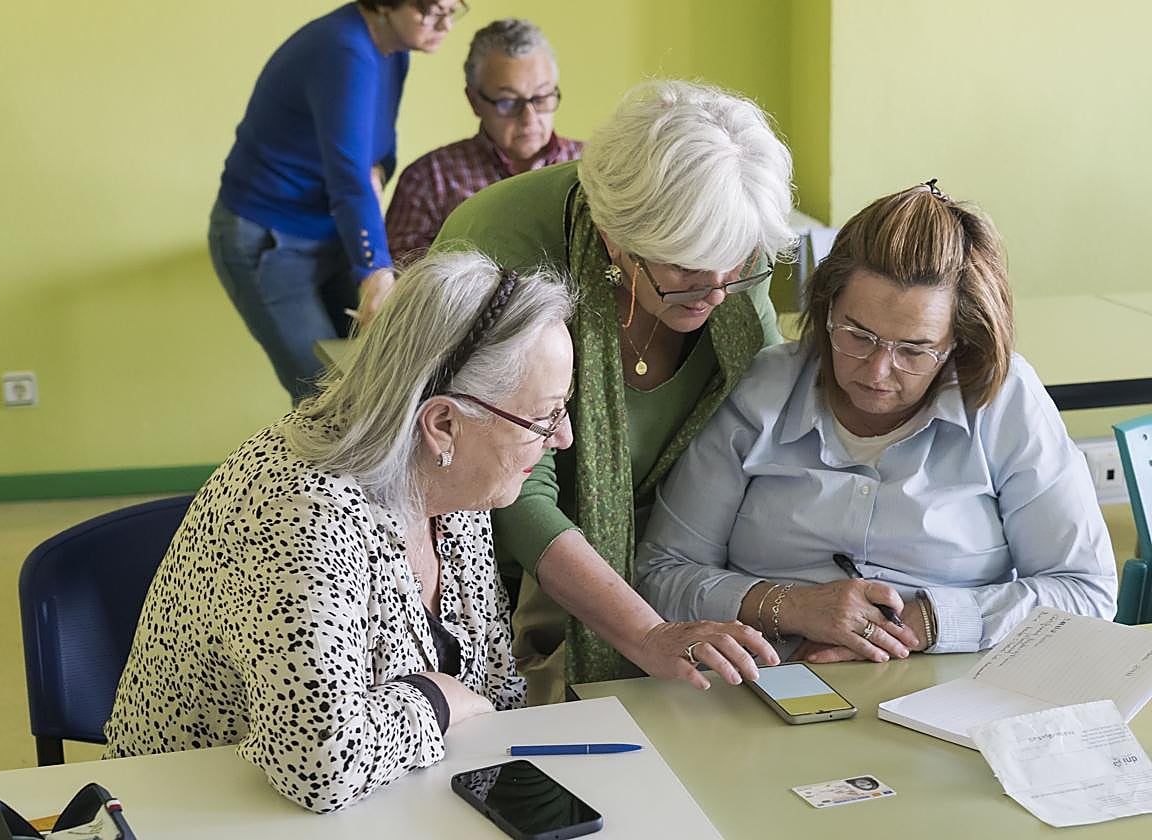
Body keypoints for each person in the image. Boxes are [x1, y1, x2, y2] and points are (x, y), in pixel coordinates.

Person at [104, 251, 573, 812]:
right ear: (443, 423)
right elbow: (320, 763)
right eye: (543, 416)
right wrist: (434, 701)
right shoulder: (298, 514)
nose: (562, 437)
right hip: (196, 812)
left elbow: (494, 687)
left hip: (383, 805)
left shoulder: (453, 484)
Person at [636, 182, 1118, 663]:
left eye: (913, 350)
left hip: (948, 687)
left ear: (959, 341)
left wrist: (920, 623)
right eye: (857, 335)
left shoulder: (1003, 398)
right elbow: (660, 574)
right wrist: (791, 607)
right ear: (826, 309)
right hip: (768, 678)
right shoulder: (762, 389)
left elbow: (1087, 593)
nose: (877, 372)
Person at [434, 79, 795, 703]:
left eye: (734, 264)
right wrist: (646, 632)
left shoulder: (726, 256)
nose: (714, 294)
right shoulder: (503, 248)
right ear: (616, 239)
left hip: (665, 568)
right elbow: (514, 484)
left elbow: (761, 433)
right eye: (682, 267)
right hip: (494, 576)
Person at [208, 0, 467, 403]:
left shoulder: (394, 50)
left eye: (455, 9)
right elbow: (349, 180)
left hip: (331, 230)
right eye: (432, 10)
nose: (446, 24)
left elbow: (374, 155)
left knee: (376, 380)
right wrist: (376, 272)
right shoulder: (343, 51)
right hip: (268, 239)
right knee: (325, 398)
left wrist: (377, 173)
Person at [385, 18, 583, 263]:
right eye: (508, 102)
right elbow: (407, 285)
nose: (529, 117)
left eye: (541, 97)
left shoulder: (591, 167)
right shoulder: (430, 179)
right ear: (474, 101)